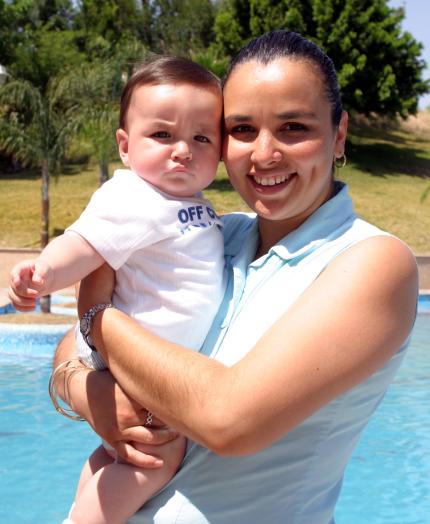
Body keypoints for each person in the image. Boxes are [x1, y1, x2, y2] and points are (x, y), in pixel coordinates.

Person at [52, 31, 418, 524]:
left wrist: (96, 315)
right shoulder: (212, 234)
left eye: (293, 127)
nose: (264, 154)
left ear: (340, 134)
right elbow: (64, 347)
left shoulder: (371, 262)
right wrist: (96, 397)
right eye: (242, 129)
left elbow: (227, 420)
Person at [9, 56, 226, 524]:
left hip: (153, 368)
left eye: (202, 137)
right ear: (125, 146)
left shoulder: (195, 205)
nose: (183, 150)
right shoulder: (133, 197)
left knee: (117, 457)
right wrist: (44, 272)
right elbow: (82, 243)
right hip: (141, 367)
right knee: (158, 457)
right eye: (163, 135)